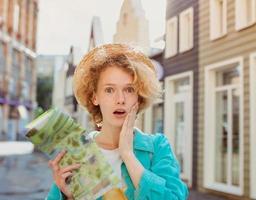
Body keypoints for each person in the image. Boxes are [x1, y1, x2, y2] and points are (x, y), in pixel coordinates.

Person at [46, 44, 189, 200]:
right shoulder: (78, 152)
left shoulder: (158, 147)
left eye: (129, 89)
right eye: (109, 90)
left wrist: (128, 155)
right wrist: (68, 196)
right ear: (95, 97)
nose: (120, 99)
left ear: (139, 98)